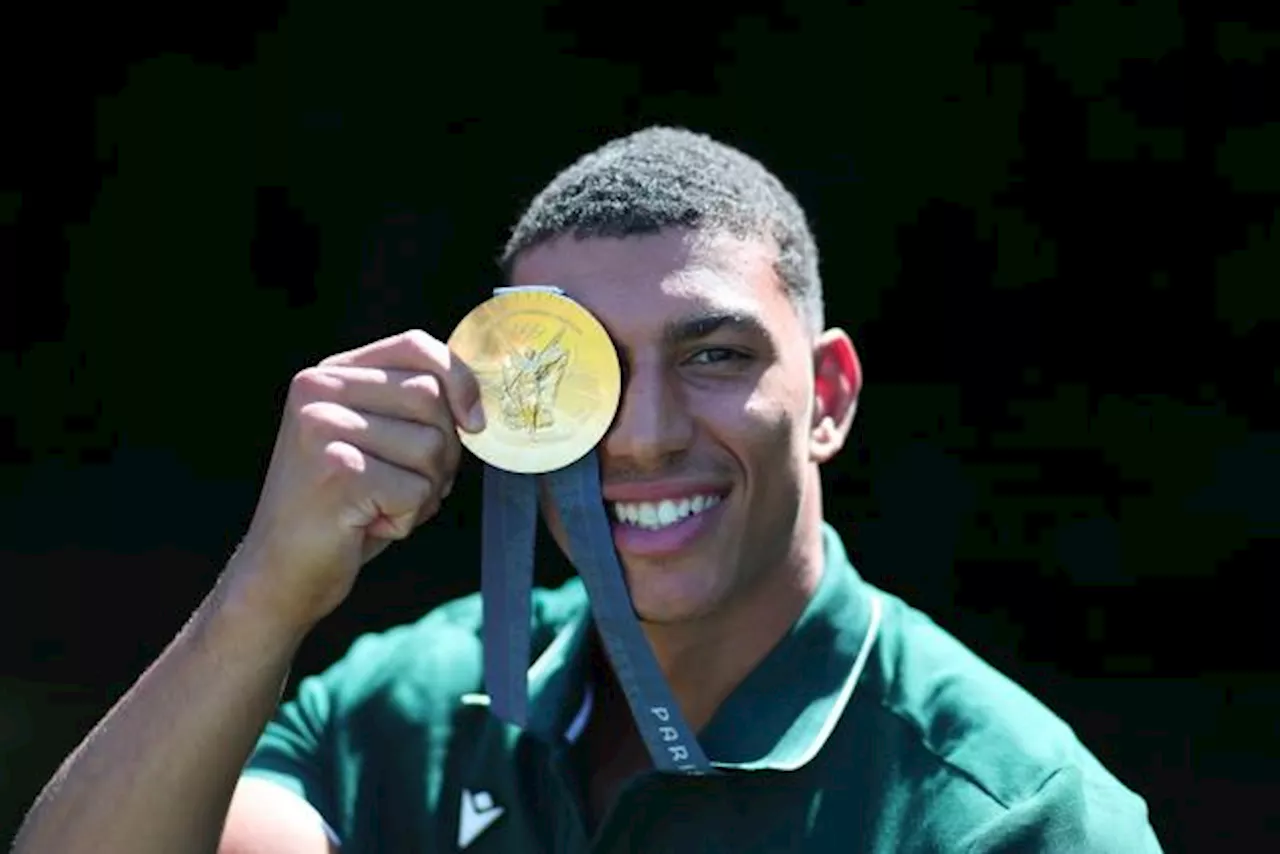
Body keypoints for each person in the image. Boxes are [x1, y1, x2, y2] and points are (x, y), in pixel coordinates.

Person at [12, 127, 1163, 853]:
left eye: (712, 354)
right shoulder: (410, 711)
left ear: (826, 395)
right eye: (574, 371)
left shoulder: (1016, 815)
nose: (644, 437)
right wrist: (262, 591)